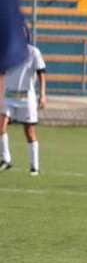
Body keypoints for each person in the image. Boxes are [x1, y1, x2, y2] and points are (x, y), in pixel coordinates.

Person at [0, 26, 46, 174]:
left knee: (30, 132)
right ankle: (6, 159)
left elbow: (41, 74)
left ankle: (34, 167)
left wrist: (43, 94)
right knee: (0, 125)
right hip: (8, 96)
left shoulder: (33, 52)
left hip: (27, 98)